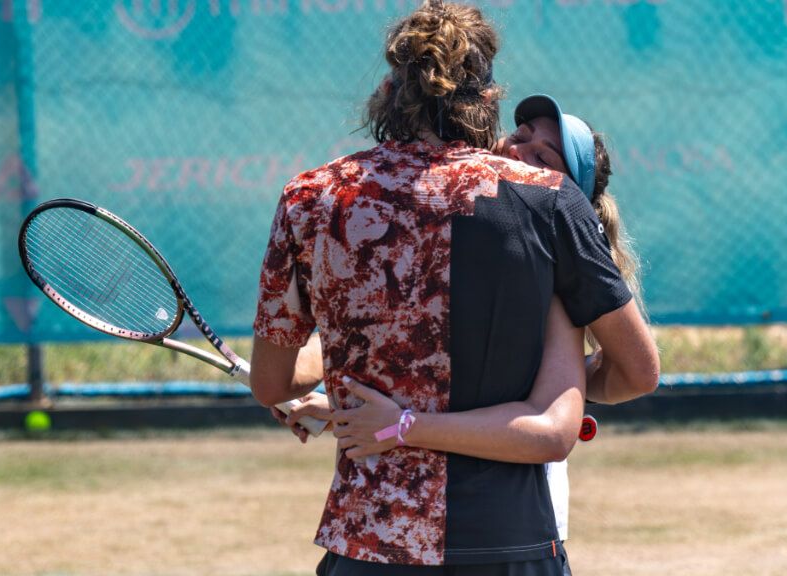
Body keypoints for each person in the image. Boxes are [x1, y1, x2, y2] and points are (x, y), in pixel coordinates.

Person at [248, 1, 657, 574]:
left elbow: (270, 382)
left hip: (369, 542)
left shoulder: (308, 196)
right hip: (508, 543)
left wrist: (346, 390)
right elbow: (637, 372)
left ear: (390, 88)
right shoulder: (548, 201)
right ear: (487, 102)